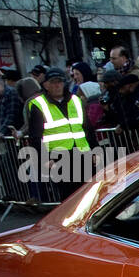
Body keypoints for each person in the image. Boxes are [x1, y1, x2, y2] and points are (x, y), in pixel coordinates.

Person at [23, 67, 96, 202]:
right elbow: (35, 136)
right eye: (53, 82)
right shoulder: (39, 104)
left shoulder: (76, 100)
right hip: (58, 157)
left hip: (82, 153)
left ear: (64, 83)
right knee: (69, 198)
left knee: (89, 193)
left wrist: (95, 151)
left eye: (59, 82)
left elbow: (87, 129)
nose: (57, 85)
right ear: (46, 85)